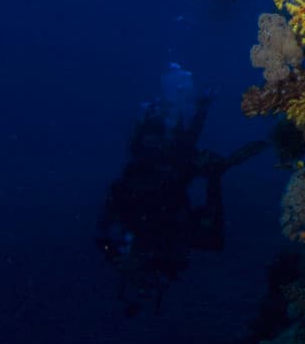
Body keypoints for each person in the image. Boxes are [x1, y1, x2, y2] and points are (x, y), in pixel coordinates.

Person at [95, 70, 266, 314]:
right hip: (168, 209)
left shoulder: (140, 185)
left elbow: (104, 231)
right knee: (186, 159)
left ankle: (198, 109)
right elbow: (212, 234)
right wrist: (213, 179)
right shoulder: (138, 191)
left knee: (184, 158)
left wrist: (212, 177)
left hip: (167, 207)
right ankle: (200, 108)